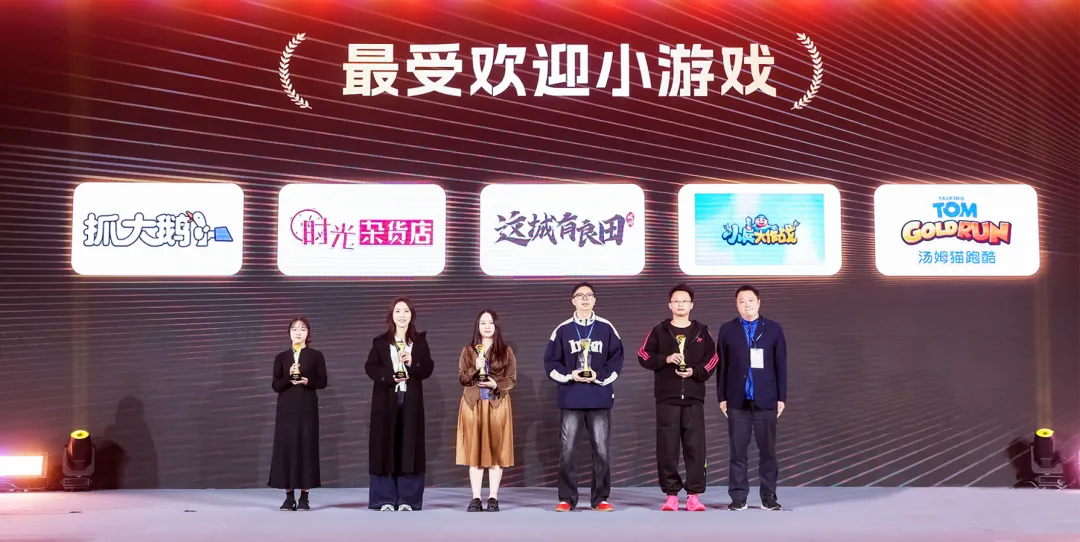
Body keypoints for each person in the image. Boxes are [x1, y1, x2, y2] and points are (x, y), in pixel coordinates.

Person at [544, 282, 624, 512]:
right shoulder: (563, 329)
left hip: (599, 398)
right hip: (571, 398)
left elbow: (617, 360)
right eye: (580, 296)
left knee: (601, 450)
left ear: (595, 300)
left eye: (589, 295)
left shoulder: (606, 328)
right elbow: (550, 363)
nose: (585, 299)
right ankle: (567, 498)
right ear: (573, 301)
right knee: (567, 450)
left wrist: (599, 377)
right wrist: (570, 375)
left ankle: (600, 499)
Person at [637, 284, 717, 512]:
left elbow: (713, 359)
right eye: (676, 301)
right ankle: (671, 495)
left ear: (691, 305)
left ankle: (694, 495)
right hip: (667, 398)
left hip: (693, 398)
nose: (680, 304)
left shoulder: (702, 332)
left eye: (685, 301)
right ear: (670, 305)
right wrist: (665, 359)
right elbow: (643, 355)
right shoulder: (659, 330)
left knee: (695, 448)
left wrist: (694, 372)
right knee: (667, 448)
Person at [716, 285, 787, 511]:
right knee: (738, 452)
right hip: (737, 401)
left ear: (758, 302)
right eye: (741, 301)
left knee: (768, 452)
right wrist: (722, 396)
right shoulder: (727, 330)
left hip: (766, 400)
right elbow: (722, 366)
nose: (746, 305)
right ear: (736, 305)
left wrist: (781, 397)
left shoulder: (773, 329)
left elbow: (781, 365)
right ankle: (738, 496)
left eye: (750, 300)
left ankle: (769, 496)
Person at [365, 297, 434, 511]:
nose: (402, 315)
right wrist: (389, 377)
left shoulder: (419, 342)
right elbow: (370, 367)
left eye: (406, 311)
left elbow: (427, 369)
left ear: (411, 315)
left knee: (409, 447)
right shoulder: (380, 342)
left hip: (410, 402)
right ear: (391, 315)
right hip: (386, 402)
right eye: (398, 311)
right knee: (384, 447)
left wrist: (412, 363)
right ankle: (384, 498)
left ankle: (408, 499)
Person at [455, 309, 518, 512]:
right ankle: (476, 498)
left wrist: (495, 384)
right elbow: (463, 378)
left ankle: (493, 497)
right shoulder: (468, 351)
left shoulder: (506, 351)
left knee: (496, 451)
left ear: (496, 326)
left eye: (490, 322)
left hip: (496, 405)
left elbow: (511, 379)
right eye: (483, 322)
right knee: (474, 452)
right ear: (478, 326)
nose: (487, 326)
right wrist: (476, 367)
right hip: (473, 405)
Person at [268, 317, 328, 511]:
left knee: (306, 450)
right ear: (289, 333)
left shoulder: (316, 355)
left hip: (307, 409)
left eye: (302, 329)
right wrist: (289, 376)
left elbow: (323, 382)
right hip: (286, 410)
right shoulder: (281, 357)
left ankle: (304, 497)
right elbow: (276, 386)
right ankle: (289, 497)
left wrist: (306, 381)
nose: (298, 332)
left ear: (308, 333)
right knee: (287, 450)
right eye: (294, 329)